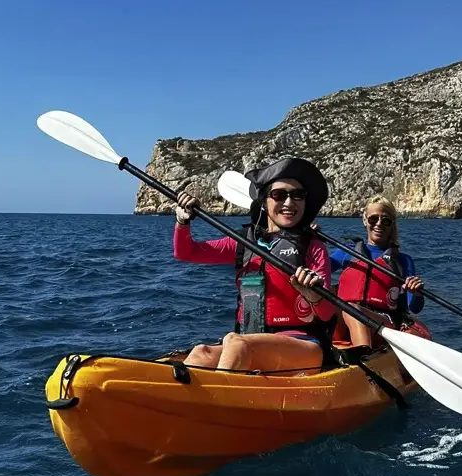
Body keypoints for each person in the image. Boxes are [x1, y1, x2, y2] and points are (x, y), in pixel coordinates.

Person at [172, 158, 337, 371]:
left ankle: (221, 397)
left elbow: (325, 314)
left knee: (237, 343)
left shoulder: (313, 247)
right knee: (201, 352)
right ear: (264, 202)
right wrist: (182, 223)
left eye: (298, 195)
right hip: (250, 339)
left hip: (303, 345)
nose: (289, 202)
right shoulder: (243, 242)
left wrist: (313, 295)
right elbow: (186, 252)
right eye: (279, 195)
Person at [329, 195, 424, 348]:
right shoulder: (347, 252)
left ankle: (364, 354)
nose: (379, 224)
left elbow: (414, 307)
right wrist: (310, 241)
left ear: (392, 224)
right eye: (374, 219)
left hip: (384, 322)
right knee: (329, 301)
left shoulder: (403, 261)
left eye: (385, 220)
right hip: (347, 319)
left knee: (352, 309)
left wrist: (417, 293)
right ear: (365, 220)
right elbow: (317, 270)